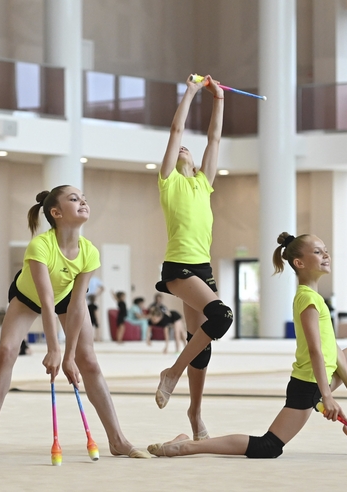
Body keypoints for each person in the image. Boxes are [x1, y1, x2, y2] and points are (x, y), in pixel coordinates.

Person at [148, 233, 347, 459]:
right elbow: (315, 350)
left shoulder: (317, 298)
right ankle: (185, 447)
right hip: (309, 385)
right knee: (268, 446)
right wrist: (326, 396)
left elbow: (332, 347)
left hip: (323, 376)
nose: (326, 255)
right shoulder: (307, 299)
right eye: (318, 252)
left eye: (326, 250)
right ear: (299, 263)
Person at [0, 186, 150, 462]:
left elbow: (78, 305)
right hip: (28, 297)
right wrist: (53, 349)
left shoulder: (89, 252)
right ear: (56, 213)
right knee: (5, 351)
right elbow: (45, 302)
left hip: (66, 298)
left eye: (84, 198)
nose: (83, 202)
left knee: (88, 360)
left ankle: (117, 439)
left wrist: (69, 357)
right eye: (74, 199)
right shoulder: (40, 246)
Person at [153, 74, 232, 442]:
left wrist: (218, 98)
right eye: (182, 149)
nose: (185, 149)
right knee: (222, 315)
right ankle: (171, 372)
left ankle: (195, 412)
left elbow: (214, 137)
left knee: (201, 337)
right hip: (179, 267)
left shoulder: (203, 183)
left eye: (189, 151)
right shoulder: (169, 181)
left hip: (203, 268)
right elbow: (176, 130)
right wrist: (190, 91)